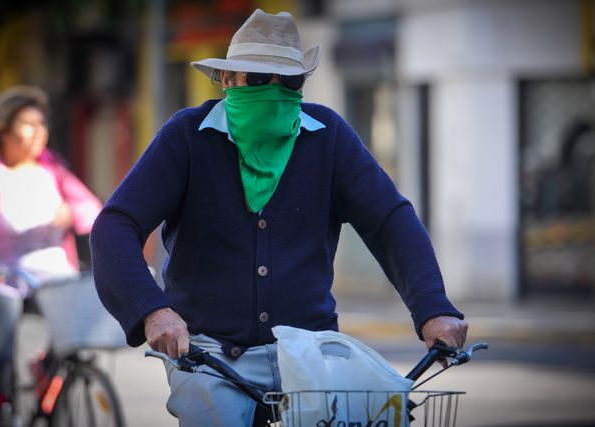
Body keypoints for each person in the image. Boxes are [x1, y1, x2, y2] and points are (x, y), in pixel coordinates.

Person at [90, 9, 468, 427]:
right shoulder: (187, 137)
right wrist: (152, 310)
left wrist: (433, 308)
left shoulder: (328, 136)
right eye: (256, 79)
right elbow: (115, 225)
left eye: (289, 82)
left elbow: (390, 220)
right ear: (228, 79)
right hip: (209, 356)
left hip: (310, 352)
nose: (274, 91)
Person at [0, 85, 102, 426]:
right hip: (1, 276)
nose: (39, 132)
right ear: (3, 130)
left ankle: (45, 371)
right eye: (28, 124)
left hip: (51, 273)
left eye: (42, 124)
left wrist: (72, 215)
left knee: (74, 334)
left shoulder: (51, 167)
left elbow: (92, 208)